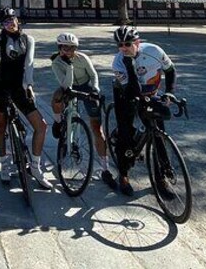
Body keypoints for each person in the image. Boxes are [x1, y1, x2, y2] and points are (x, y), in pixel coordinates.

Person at [0, 8, 52, 189]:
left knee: (41, 125)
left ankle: (35, 166)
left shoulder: (28, 39)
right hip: (0, 84)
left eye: (11, 20)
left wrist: (29, 85)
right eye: (5, 23)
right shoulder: (1, 37)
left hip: (19, 86)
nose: (10, 25)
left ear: (17, 20)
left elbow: (29, 63)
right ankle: (4, 163)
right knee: (1, 124)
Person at [110, 25, 177, 196]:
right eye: (120, 45)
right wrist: (129, 64)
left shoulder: (154, 50)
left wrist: (169, 92)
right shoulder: (118, 62)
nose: (123, 48)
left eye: (127, 44)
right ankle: (123, 175)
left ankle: (161, 178)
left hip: (150, 93)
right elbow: (132, 91)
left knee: (158, 134)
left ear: (138, 42)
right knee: (125, 134)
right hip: (125, 94)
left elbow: (170, 70)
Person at [50, 32, 117, 189]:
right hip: (68, 87)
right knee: (56, 98)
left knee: (96, 128)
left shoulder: (83, 58)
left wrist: (95, 89)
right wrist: (68, 66)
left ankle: (105, 168)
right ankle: (58, 121)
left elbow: (93, 75)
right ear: (59, 48)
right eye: (65, 48)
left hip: (86, 87)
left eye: (72, 48)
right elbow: (66, 84)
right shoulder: (56, 63)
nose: (68, 51)